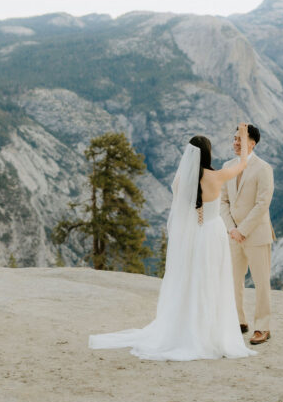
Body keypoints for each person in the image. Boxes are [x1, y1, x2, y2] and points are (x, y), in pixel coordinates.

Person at [88, 125, 253, 360]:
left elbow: (183, 206)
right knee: (213, 281)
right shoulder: (216, 176)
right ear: (208, 154)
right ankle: (210, 332)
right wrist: (245, 142)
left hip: (194, 236)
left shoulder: (180, 182)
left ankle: (188, 329)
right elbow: (243, 164)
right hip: (213, 235)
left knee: (192, 281)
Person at [220, 124, 275, 345]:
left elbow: (263, 203)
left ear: (252, 143)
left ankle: (263, 327)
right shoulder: (228, 166)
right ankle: (239, 321)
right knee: (234, 280)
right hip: (233, 235)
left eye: (239, 140)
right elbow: (222, 200)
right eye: (234, 139)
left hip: (256, 235)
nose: (235, 143)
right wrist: (232, 229)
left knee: (261, 282)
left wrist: (243, 230)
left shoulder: (264, 168)